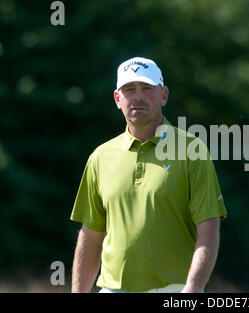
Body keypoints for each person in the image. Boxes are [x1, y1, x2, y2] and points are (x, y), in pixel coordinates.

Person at [70, 57, 227, 293]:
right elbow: (91, 236)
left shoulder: (192, 151)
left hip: (173, 290)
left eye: (146, 88)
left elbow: (208, 226)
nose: (138, 96)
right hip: (113, 289)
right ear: (117, 99)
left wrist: (194, 287)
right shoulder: (100, 157)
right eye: (129, 90)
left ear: (163, 95)